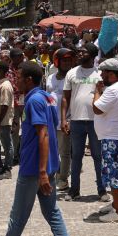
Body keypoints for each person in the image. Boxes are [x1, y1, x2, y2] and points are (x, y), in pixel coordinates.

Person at [0, 62, 79, 236]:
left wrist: (41, 173)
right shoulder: (48, 97)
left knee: (18, 216)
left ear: (29, 80)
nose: (16, 81)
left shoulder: (34, 100)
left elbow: (43, 134)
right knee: (52, 213)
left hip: (34, 168)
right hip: (48, 164)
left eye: (19, 77)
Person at [61, 43, 108, 202]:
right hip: (76, 121)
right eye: (79, 52)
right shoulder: (72, 73)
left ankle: (102, 190)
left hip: (97, 121)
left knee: (98, 156)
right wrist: (63, 119)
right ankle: (74, 190)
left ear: (93, 55)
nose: (79, 54)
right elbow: (65, 98)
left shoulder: (101, 74)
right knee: (76, 156)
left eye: (83, 52)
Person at [92, 58, 118, 222]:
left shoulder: (113, 90)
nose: (101, 76)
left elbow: (97, 108)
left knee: (115, 175)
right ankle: (116, 205)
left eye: (103, 72)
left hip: (114, 139)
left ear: (111, 74)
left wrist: (97, 91)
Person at [46, 48, 74, 190]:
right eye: (64, 60)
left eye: (69, 60)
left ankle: (63, 179)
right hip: (51, 120)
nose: (67, 63)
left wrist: (67, 119)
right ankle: (54, 174)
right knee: (52, 150)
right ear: (57, 62)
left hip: (65, 120)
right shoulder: (50, 78)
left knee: (65, 152)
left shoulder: (72, 78)